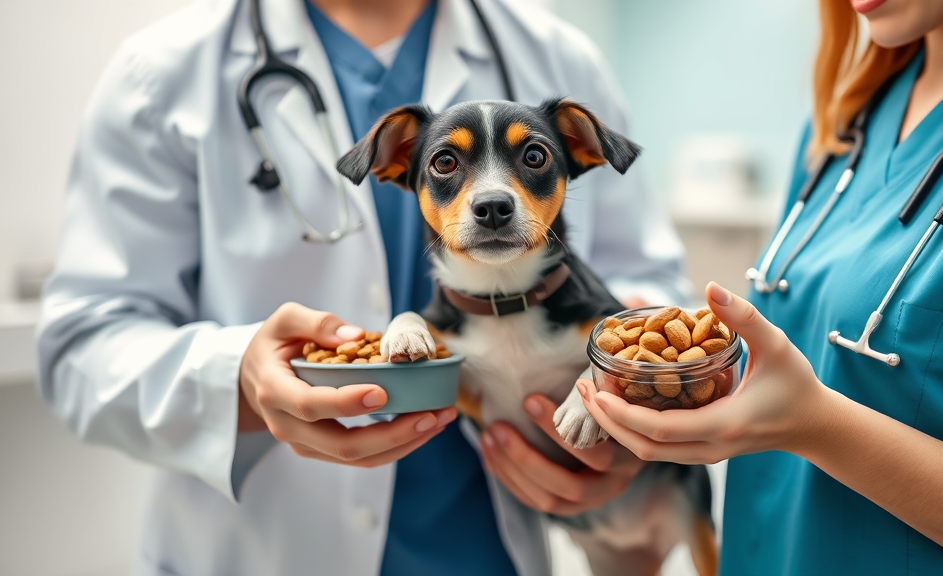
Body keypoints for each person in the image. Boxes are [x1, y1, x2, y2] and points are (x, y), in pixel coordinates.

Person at [35, 0, 689, 574]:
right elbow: (79, 349)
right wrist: (238, 381)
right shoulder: (161, 73)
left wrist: (632, 412)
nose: (491, 198)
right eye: (447, 164)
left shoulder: (558, 55)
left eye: (532, 159)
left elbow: (650, 294)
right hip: (265, 547)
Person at [579, 0, 943, 574]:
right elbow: (808, 351)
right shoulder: (840, 126)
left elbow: (812, 407)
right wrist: (674, 381)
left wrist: (816, 427)